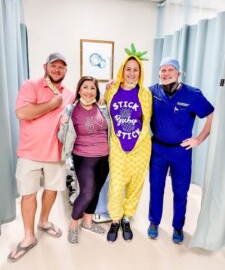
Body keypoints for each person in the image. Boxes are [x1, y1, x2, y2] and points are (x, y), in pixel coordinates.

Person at [8, 53, 74, 262]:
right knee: (28, 195)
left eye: (61, 67)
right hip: (30, 153)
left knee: (52, 190)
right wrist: (52, 105)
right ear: (45, 66)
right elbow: (22, 113)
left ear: (66, 71)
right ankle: (29, 236)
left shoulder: (70, 94)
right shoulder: (31, 85)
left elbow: (87, 103)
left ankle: (44, 221)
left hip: (56, 153)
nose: (57, 70)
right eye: (54, 66)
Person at [147, 57, 214, 244]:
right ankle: (154, 222)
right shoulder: (152, 92)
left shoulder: (192, 94)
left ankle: (178, 227)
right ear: (159, 73)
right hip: (158, 149)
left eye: (170, 70)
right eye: (163, 70)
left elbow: (211, 114)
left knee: (180, 190)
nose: (166, 73)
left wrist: (199, 139)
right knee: (156, 188)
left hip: (181, 151)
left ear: (178, 72)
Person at [105, 48, 152, 242]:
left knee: (135, 185)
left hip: (140, 148)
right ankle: (115, 220)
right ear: (122, 70)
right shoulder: (112, 90)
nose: (131, 73)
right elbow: (102, 108)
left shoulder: (145, 93)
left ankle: (126, 218)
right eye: (128, 69)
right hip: (118, 147)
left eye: (135, 70)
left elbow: (147, 119)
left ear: (140, 72)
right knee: (116, 186)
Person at [58, 76, 110, 245]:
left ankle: (87, 222)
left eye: (92, 88)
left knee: (96, 190)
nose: (89, 91)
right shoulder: (70, 110)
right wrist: (64, 124)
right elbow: (61, 137)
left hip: (105, 157)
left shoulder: (102, 106)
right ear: (79, 90)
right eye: (85, 87)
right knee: (87, 191)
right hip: (83, 157)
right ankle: (73, 224)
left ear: (97, 90)